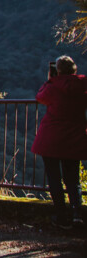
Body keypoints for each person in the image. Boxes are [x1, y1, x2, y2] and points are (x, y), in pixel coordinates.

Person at [31, 55, 87, 229]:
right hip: (75, 138)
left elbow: (40, 97)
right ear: (74, 69)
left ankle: (61, 216)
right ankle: (78, 214)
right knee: (73, 179)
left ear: (58, 70)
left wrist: (50, 80)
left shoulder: (53, 86)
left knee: (54, 178)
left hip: (52, 139)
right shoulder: (83, 84)